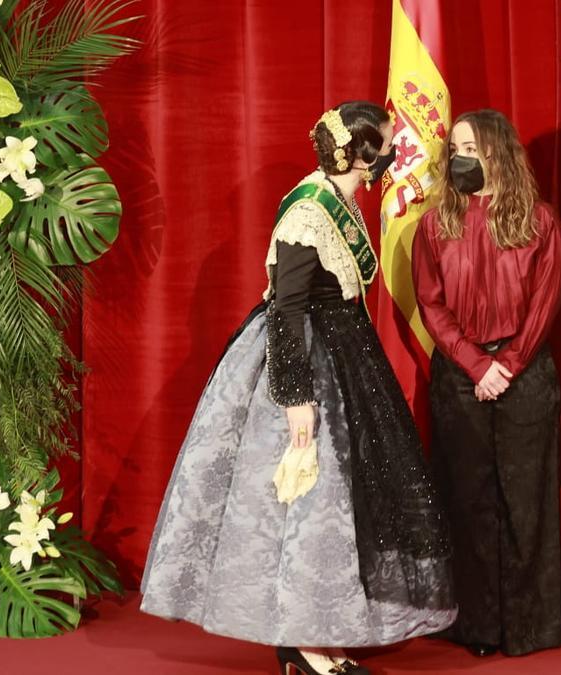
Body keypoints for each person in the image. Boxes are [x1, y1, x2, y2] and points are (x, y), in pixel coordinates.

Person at [140, 102, 457, 675]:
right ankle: (304, 642)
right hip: (306, 360)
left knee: (338, 505)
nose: (390, 153)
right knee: (310, 504)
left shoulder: (338, 199)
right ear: (361, 154)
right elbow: (286, 309)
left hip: (345, 350)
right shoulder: (308, 212)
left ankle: (315, 634)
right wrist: (295, 397)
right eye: (384, 145)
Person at [412, 109, 561, 657]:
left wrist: (509, 364)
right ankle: (474, 625)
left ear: (499, 152)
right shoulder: (435, 224)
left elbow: (547, 302)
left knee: (527, 501)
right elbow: (431, 303)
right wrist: (477, 366)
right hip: (460, 377)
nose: (462, 158)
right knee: (468, 498)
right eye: (456, 147)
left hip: (525, 374)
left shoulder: (540, 221)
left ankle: (531, 627)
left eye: (473, 148)